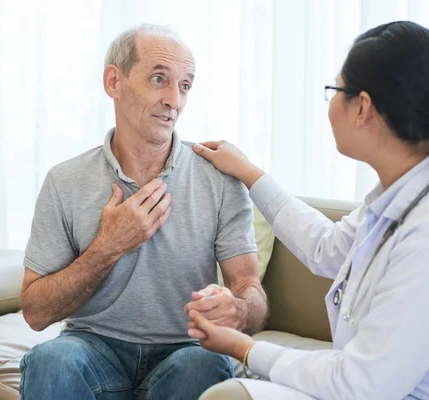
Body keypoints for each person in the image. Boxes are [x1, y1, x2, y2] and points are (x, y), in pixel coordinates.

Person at [189, 21, 429, 400]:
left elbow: (360, 384)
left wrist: (244, 348)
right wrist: (249, 174)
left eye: (334, 90)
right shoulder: (403, 193)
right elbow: (327, 247)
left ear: (362, 106)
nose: (329, 105)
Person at [18, 24, 268, 400]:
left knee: (205, 366)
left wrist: (240, 309)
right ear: (113, 81)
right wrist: (109, 246)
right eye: (158, 79)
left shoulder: (219, 180)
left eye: (185, 85)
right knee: (51, 361)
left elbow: (252, 293)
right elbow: (35, 313)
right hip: (92, 347)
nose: (174, 100)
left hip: (185, 349)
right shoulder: (65, 181)